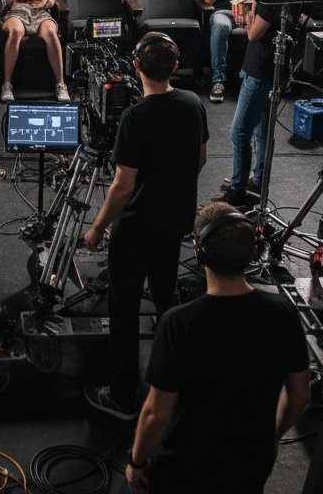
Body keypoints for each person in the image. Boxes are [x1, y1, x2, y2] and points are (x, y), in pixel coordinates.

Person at [126, 203, 310, 493]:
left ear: (200, 254)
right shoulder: (282, 313)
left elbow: (156, 414)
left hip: (185, 469)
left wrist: (136, 462)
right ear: (253, 253)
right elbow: (299, 394)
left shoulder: (179, 324)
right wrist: (270, 436)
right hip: (250, 464)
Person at [83, 33, 207, 420]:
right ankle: (176, 382)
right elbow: (200, 158)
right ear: (175, 67)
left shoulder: (135, 118)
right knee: (167, 297)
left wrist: (98, 226)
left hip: (136, 228)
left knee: (125, 309)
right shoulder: (192, 103)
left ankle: (122, 396)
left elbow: (123, 185)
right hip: (175, 222)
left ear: (136, 68)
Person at [219, 0, 290, 205]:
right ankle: (258, 181)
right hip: (270, 71)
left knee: (240, 133)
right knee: (262, 131)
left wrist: (248, 14)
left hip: (260, 72)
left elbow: (252, 34)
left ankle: (237, 190)